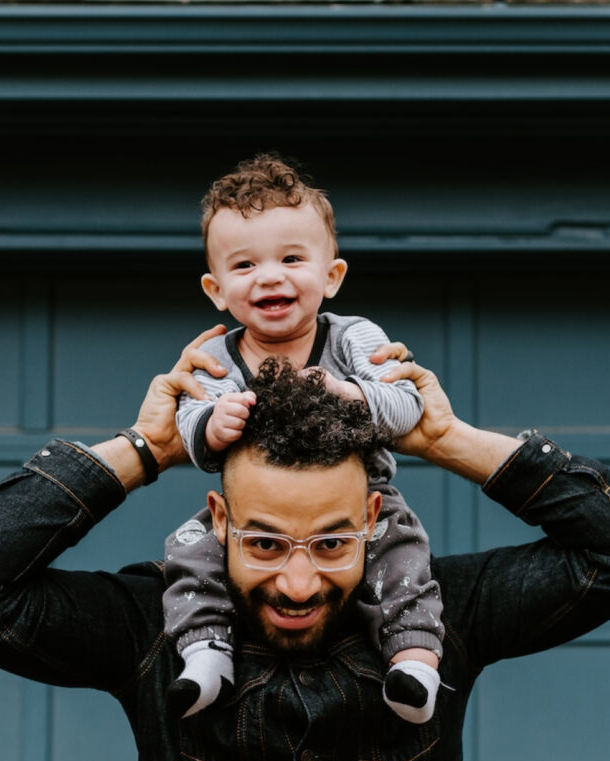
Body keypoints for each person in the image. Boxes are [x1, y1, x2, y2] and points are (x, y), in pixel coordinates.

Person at [0, 326, 610, 761]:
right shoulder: (149, 627)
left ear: (374, 516)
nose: (296, 583)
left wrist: (448, 441)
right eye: (263, 543)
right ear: (218, 520)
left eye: (330, 544)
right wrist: (147, 449)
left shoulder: (446, 615)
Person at [165, 153, 442, 722]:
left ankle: (413, 662)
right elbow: (190, 427)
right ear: (216, 290)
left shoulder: (353, 338)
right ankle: (205, 653)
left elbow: (406, 404)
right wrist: (210, 425)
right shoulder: (215, 356)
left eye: (292, 258)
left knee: (404, 552)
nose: (269, 276)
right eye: (244, 266)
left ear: (331, 276)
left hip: (365, 497)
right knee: (189, 551)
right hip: (253, 511)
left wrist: (351, 394)